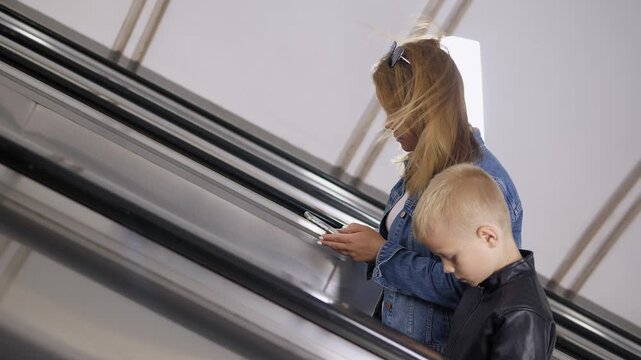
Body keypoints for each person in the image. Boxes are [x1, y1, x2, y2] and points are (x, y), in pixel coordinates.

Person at [319, 36, 523, 353]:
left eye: (394, 112)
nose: (388, 125)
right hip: (395, 334)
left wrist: (380, 253)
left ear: (422, 110)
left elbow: (468, 287)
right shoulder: (424, 162)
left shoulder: (483, 183)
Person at [413, 163, 556, 359]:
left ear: (488, 237)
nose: (446, 268)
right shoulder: (483, 285)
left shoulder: (522, 315)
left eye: (452, 257)